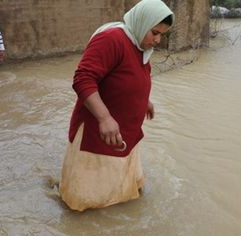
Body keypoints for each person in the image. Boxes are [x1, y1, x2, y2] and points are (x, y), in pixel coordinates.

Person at [58, 0, 174, 211]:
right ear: (142, 22)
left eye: (162, 35)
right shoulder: (112, 39)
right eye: (154, 32)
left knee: (125, 196)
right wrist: (104, 118)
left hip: (126, 131)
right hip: (99, 134)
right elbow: (83, 79)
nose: (157, 40)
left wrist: (144, 100)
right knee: (87, 203)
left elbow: (130, 76)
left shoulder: (140, 45)